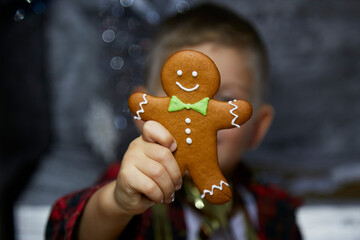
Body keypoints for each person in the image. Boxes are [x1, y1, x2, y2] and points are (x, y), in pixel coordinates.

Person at [46, 3, 302, 240]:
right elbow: (63, 228)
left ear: (257, 127)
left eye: (226, 97)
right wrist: (117, 203)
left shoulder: (272, 209)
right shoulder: (133, 185)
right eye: (174, 97)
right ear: (145, 116)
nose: (200, 115)